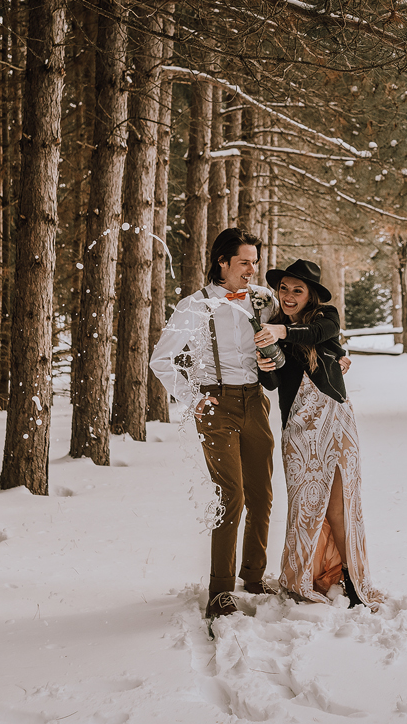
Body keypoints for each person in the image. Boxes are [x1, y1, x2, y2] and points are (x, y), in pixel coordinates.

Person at [149, 227, 279, 619]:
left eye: (255, 262)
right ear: (222, 262)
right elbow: (161, 361)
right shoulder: (194, 306)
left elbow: (293, 333)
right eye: (244, 262)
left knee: (262, 494)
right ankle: (220, 590)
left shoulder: (264, 300)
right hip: (216, 405)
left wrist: (334, 356)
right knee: (232, 495)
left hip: (255, 402)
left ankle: (254, 576)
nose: (252, 270)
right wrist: (194, 397)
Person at [254, 258, 383, 608]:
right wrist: (264, 364)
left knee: (342, 505)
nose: (289, 296)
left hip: (336, 421)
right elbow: (272, 382)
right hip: (298, 426)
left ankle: (355, 581)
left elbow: (318, 335)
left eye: (298, 290)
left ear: (311, 295)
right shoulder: (271, 329)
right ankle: (303, 576)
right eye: (284, 289)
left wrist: (282, 333)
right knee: (305, 506)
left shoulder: (326, 318)